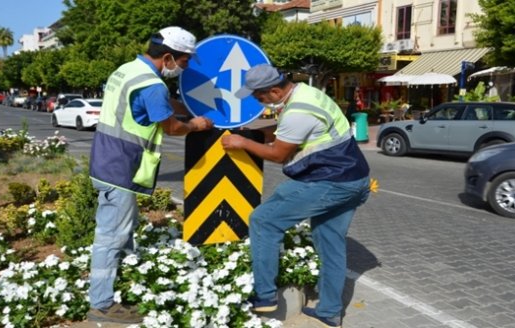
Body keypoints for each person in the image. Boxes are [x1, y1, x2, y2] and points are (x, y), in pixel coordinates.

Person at [221, 64, 370, 328]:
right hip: (355, 179)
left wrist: (243, 142)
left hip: (330, 181)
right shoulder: (306, 94)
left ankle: (265, 296)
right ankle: (329, 312)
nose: (257, 101)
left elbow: (279, 154)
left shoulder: (298, 111)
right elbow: (286, 130)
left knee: (263, 221)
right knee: (330, 243)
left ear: (275, 91)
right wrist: (257, 133)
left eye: (259, 96)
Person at [87, 26, 213, 324]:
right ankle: (101, 305)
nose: (184, 68)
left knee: (121, 233)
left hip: (106, 161)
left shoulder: (128, 70)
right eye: (183, 62)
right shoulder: (152, 86)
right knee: (111, 236)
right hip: (120, 167)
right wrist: (196, 125)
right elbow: (171, 127)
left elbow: (157, 107)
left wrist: (187, 107)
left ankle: (122, 280)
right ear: (168, 56)